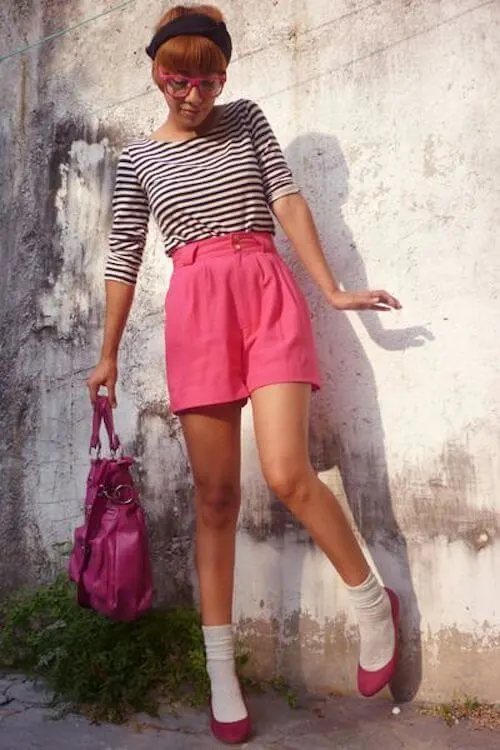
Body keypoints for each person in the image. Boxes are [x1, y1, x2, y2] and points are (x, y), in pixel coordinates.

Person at [87, 4, 402, 744]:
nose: (192, 92)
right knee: (216, 496)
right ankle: (221, 672)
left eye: (208, 77)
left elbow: (287, 200)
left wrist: (330, 289)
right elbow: (123, 256)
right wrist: (107, 351)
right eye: (177, 77)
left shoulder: (249, 119)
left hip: (264, 292)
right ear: (156, 73)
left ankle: (371, 602)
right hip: (198, 311)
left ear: (223, 76)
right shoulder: (138, 159)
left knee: (290, 472)